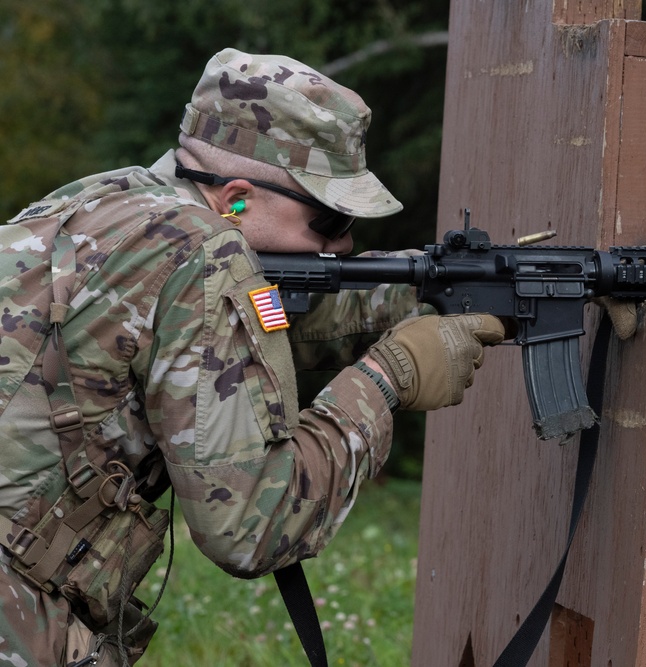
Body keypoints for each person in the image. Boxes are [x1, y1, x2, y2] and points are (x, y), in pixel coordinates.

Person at [0, 48, 506, 665]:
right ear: (237, 197)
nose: (344, 244)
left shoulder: (104, 206)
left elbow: (254, 326)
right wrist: (389, 377)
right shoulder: (208, 254)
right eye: (330, 219)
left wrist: (422, 295)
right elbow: (251, 526)